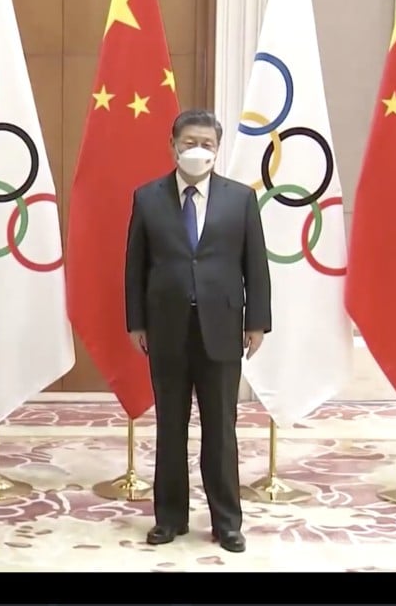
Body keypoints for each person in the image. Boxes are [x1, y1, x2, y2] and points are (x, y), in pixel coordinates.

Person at [124, 108, 271, 553]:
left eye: (207, 143)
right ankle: (169, 518)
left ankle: (227, 521)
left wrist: (257, 322)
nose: (197, 150)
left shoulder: (239, 198)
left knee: (220, 430)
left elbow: (255, 266)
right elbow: (135, 266)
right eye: (189, 142)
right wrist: (136, 322)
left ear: (217, 148)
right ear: (173, 145)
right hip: (166, 328)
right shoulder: (148, 197)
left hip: (222, 328)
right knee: (171, 426)